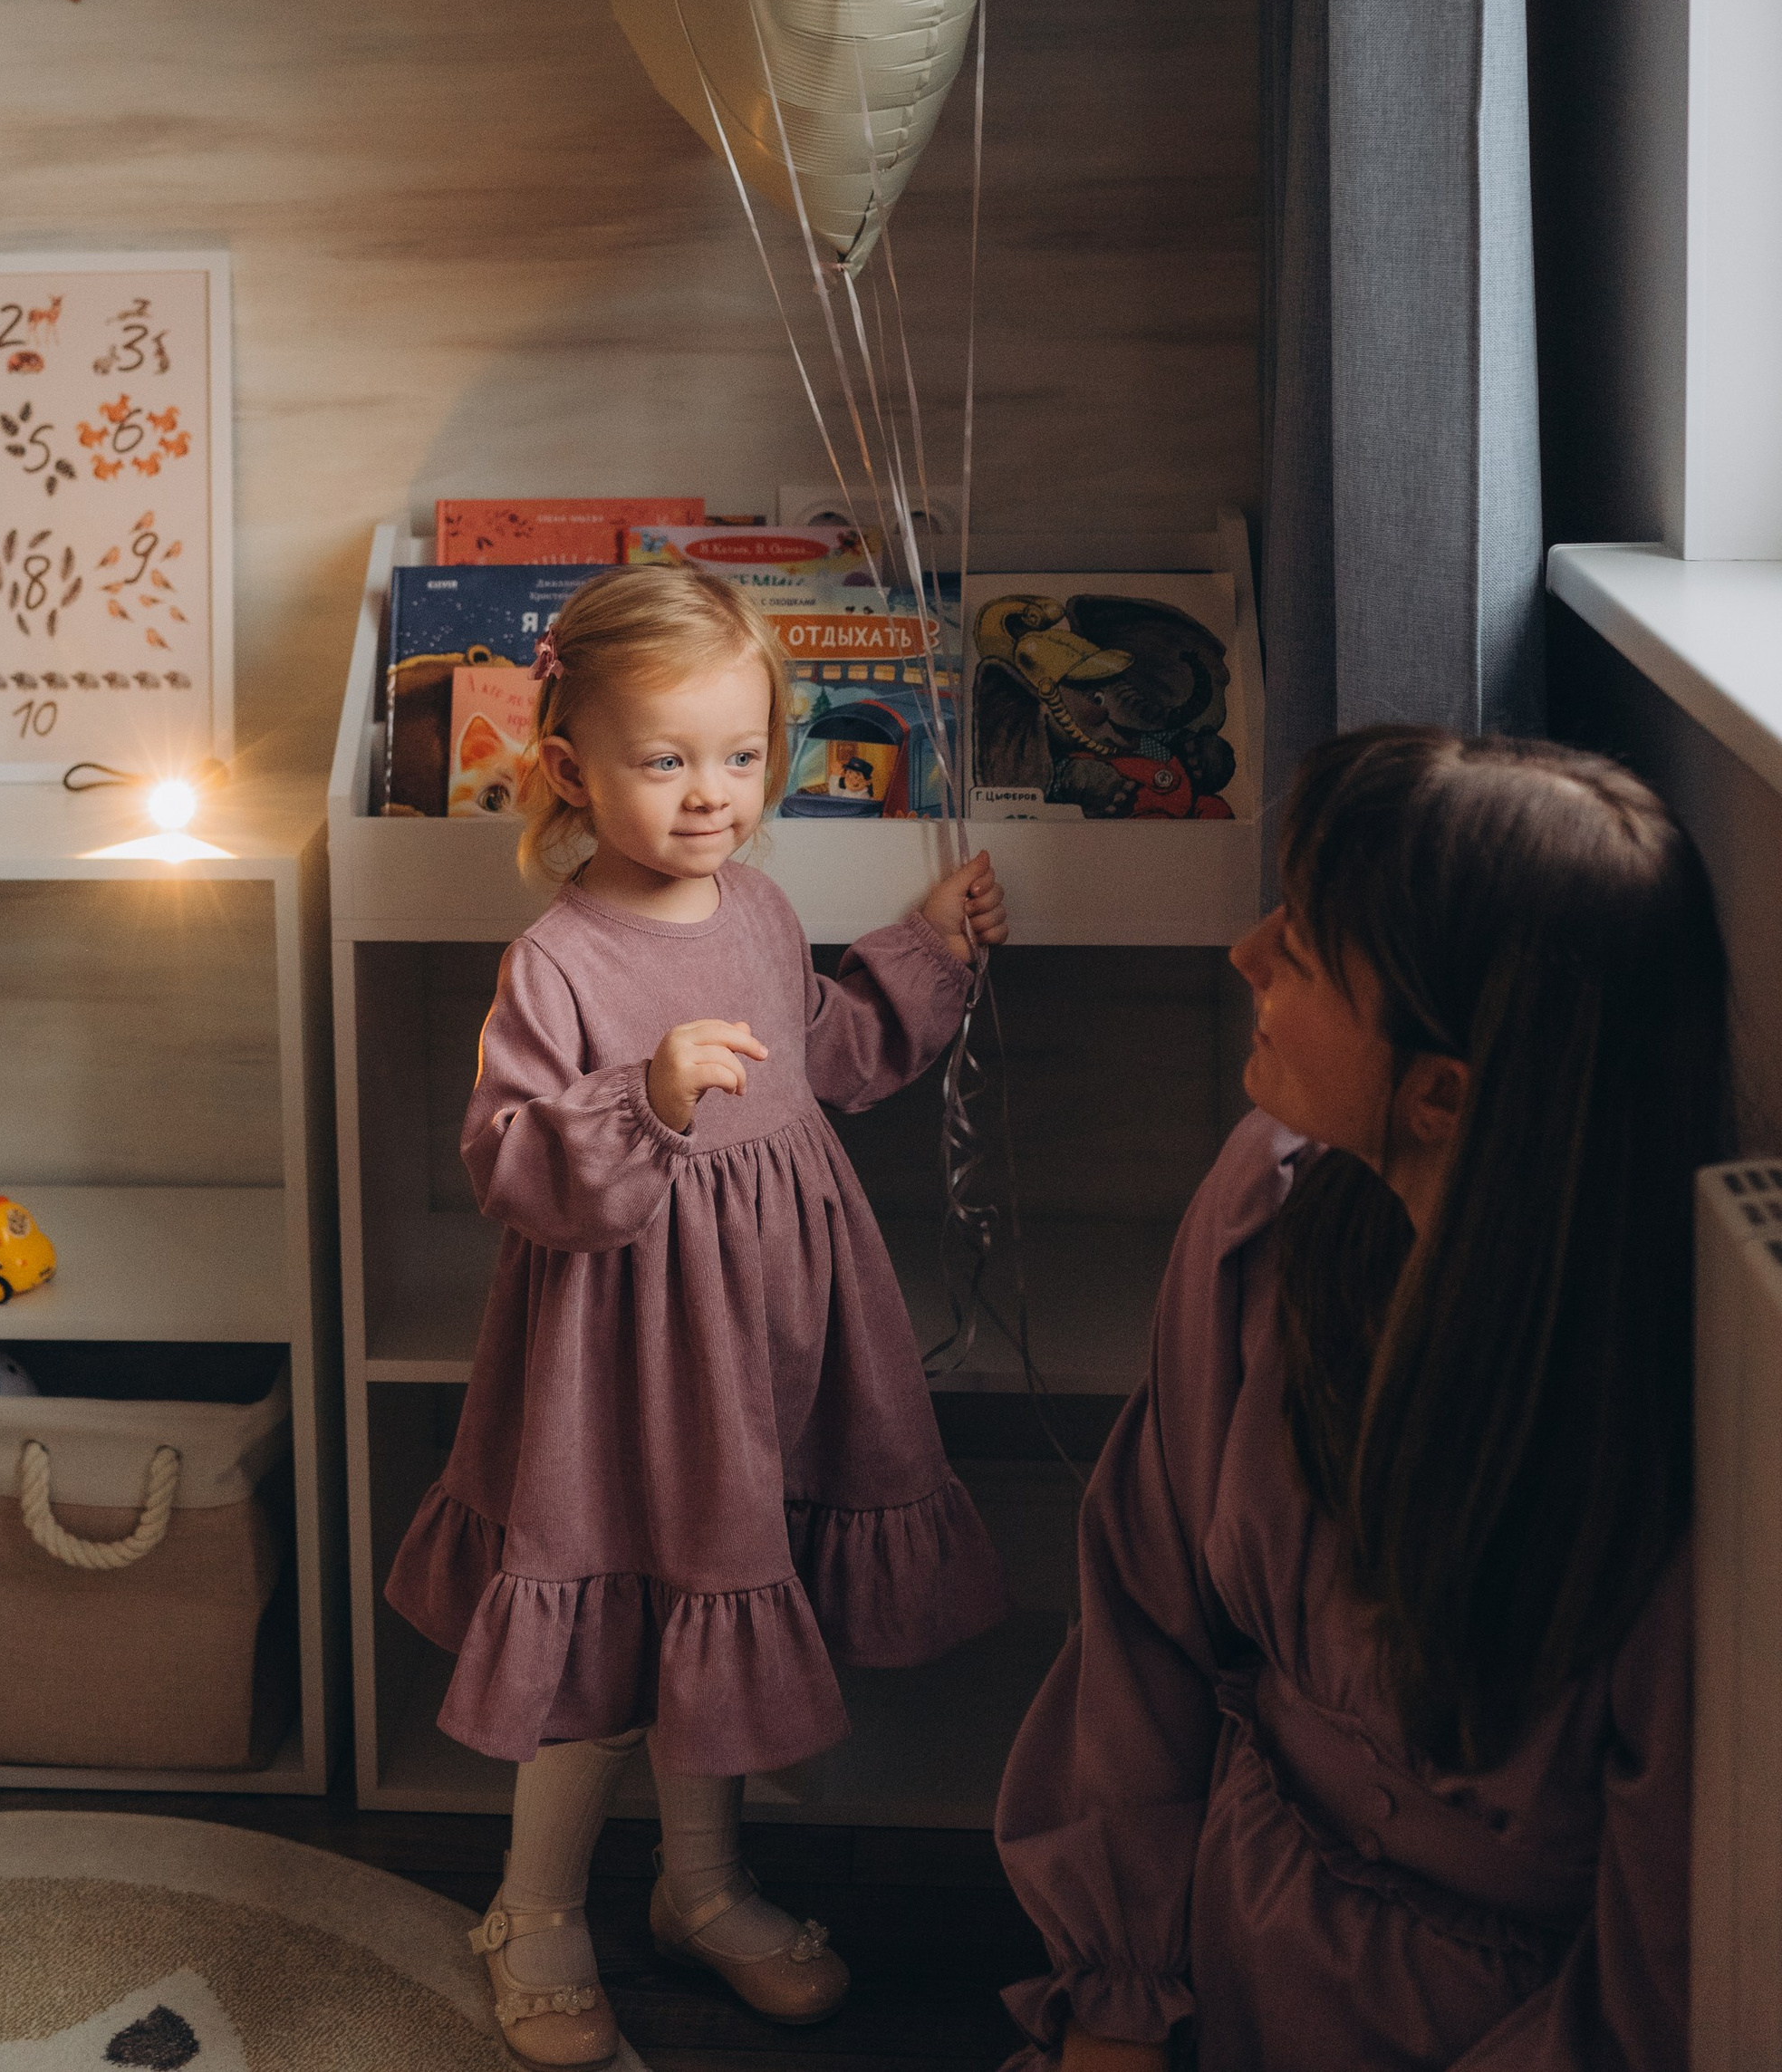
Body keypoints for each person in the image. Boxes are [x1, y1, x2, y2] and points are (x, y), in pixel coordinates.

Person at [996, 725, 1732, 2071]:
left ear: (1443, 1093)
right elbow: (1141, 1614)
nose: (1246, 954)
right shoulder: (1264, 1210)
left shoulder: (1680, 1441)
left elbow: (1658, 1978)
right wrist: (1116, 2003)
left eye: (1307, 952)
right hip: (1222, 1947)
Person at [387, 562, 1009, 2065]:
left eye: (742, 756)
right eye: (664, 761)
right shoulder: (560, 959)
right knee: (609, 1626)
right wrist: (643, 1099)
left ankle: (702, 1884)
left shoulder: (762, 903)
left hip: (772, 1342)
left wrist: (928, 943)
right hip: (621, 1358)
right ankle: (533, 1905)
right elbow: (514, 1166)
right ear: (570, 770)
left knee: (724, 1597)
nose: (709, 795)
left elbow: (832, 1055)